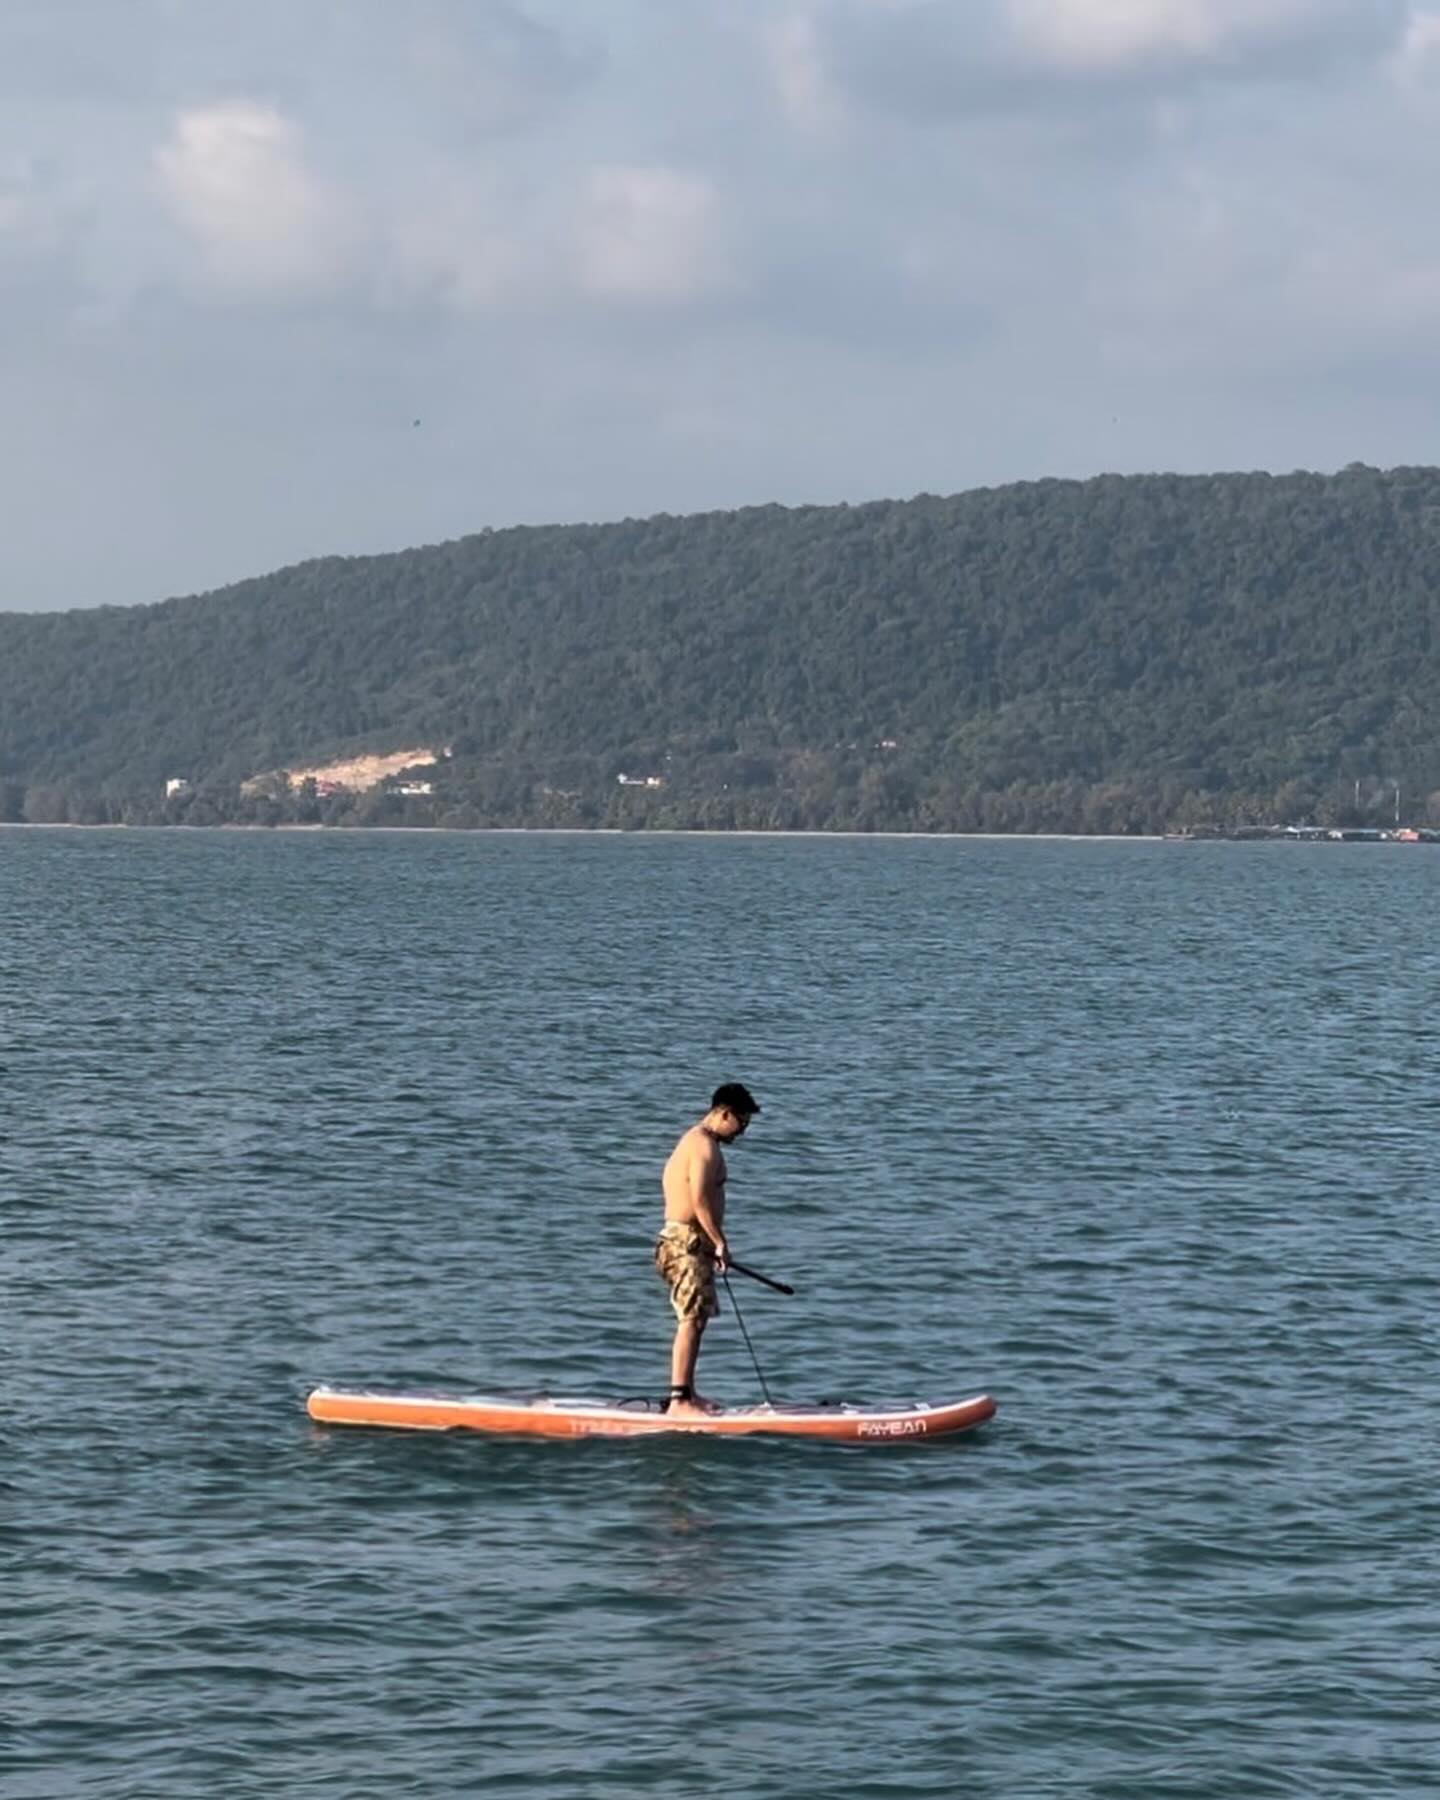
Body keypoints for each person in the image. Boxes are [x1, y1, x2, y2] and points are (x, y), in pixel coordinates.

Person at [655, 1082, 761, 1415]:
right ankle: (679, 1402)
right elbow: (699, 1198)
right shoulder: (703, 1147)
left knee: (697, 1319)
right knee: (690, 1319)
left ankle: (688, 1393)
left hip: (690, 1243)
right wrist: (719, 1242)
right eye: (741, 1123)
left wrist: (711, 1245)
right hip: (685, 1242)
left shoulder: (695, 1140)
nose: (742, 1132)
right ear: (724, 1113)